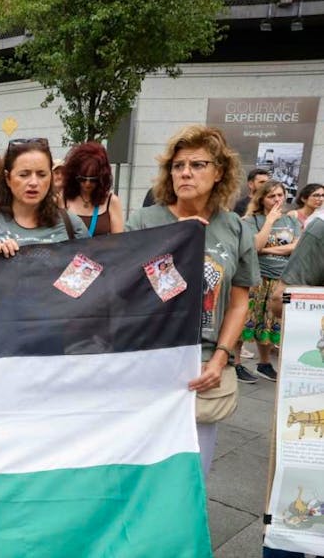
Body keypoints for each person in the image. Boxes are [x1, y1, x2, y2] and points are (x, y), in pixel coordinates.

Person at [126, 125, 258, 476]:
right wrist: (180, 241)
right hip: (149, 360)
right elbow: (125, 289)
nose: (185, 172)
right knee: (142, 467)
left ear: (219, 172)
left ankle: (184, 531)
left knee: (193, 471)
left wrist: (221, 357)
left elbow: (238, 302)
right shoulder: (143, 221)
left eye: (198, 164)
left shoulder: (236, 228)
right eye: (178, 165)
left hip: (204, 366)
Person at [0, 138, 88, 256]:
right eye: (24, 175)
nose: (33, 182)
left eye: (42, 175)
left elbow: (91, 274)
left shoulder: (71, 223)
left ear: (51, 177)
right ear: (7, 178)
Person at [238, 180, 300, 382]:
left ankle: (263, 364)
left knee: (272, 322)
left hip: (282, 279)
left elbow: (296, 246)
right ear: (261, 198)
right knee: (246, 320)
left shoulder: (291, 220)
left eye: (280, 195)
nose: (276, 200)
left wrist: (267, 250)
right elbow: (255, 245)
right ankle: (236, 362)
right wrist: (270, 222)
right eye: (271, 196)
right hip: (256, 277)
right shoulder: (251, 220)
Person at [60, 142, 124, 237]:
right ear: (74, 175)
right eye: (82, 178)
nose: (87, 183)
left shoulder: (111, 201)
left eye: (93, 179)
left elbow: (119, 242)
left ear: (102, 177)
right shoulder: (63, 198)